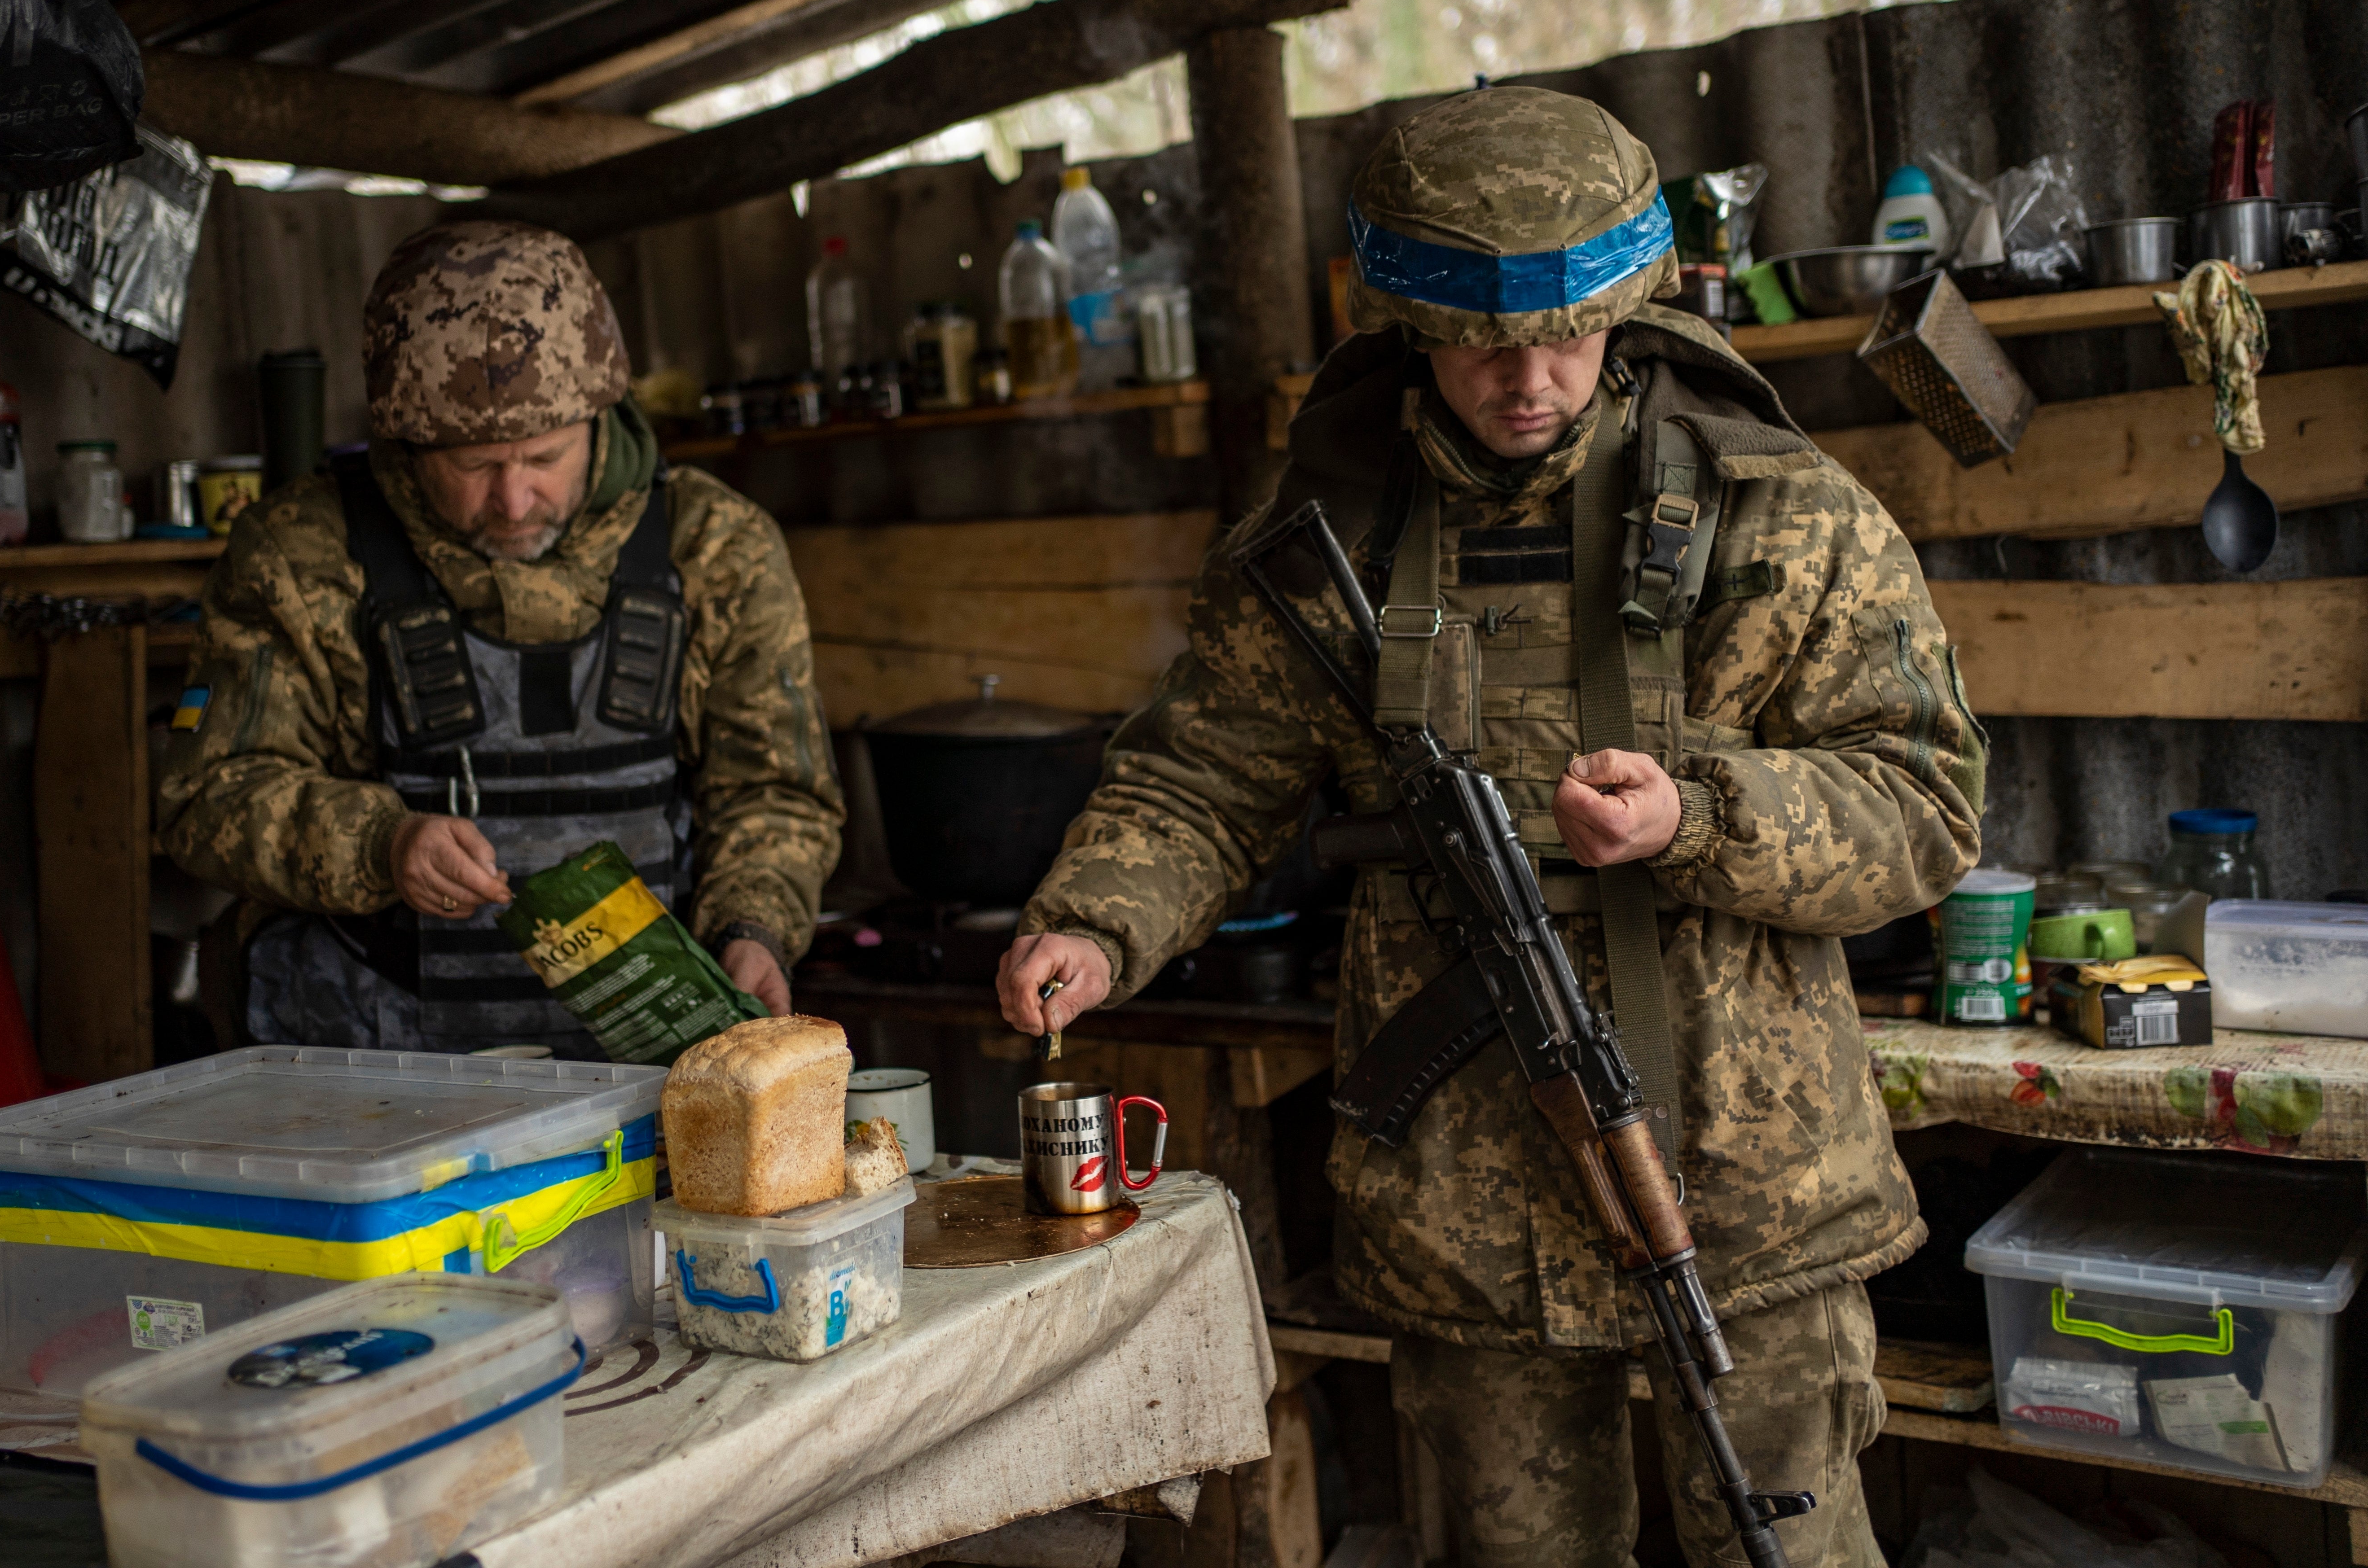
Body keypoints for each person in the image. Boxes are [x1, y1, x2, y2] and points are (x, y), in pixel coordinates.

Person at [998, 88, 1984, 1566]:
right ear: (1406, 321)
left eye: (1569, 333)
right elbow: (1200, 777)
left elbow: (1926, 805)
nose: (1528, 378)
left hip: (1746, 1189)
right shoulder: (1329, 542)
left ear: (1629, 301)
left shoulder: (1779, 513)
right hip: (1465, 1209)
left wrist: (1700, 812)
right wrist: (1095, 917)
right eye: (1481, 341)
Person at [160, 220, 843, 1056]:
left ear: (599, 416)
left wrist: (754, 928)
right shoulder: (299, 556)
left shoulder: (716, 548)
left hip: (646, 1063)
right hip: (370, 1061)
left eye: (544, 458)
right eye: (475, 466)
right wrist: (382, 843)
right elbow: (205, 795)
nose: (515, 502)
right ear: (408, 444)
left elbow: (774, 792)